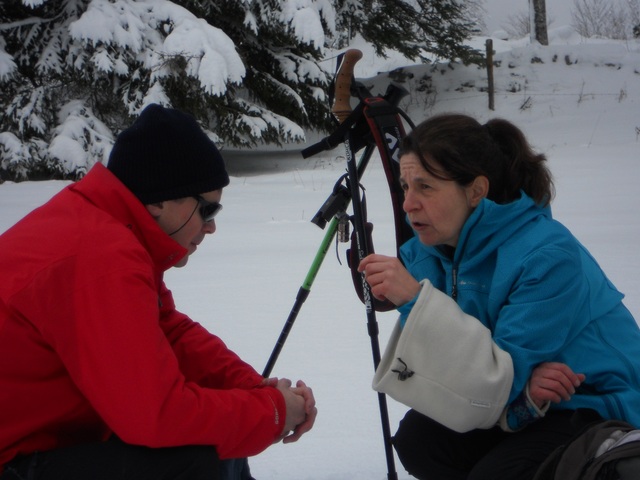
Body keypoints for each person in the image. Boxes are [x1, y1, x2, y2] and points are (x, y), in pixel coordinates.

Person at [0, 104, 317, 480]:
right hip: (15, 460)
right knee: (193, 459)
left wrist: (253, 389)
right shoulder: (101, 259)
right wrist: (272, 412)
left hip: (41, 443)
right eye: (208, 210)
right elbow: (156, 415)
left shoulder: (105, 226)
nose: (211, 228)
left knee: (217, 436)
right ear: (158, 201)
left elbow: (167, 331)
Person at [358, 113, 640, 479]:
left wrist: (415, 301)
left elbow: (495, 379)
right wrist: (521, 390)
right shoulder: (426, 252)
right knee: (419, 441)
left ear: (476, 191)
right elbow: (445, 371)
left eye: (425, 187)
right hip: (518, 400)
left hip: (593, 402)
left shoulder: (546, 254)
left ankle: (611, 455)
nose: (409, 203)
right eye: (405, 186)